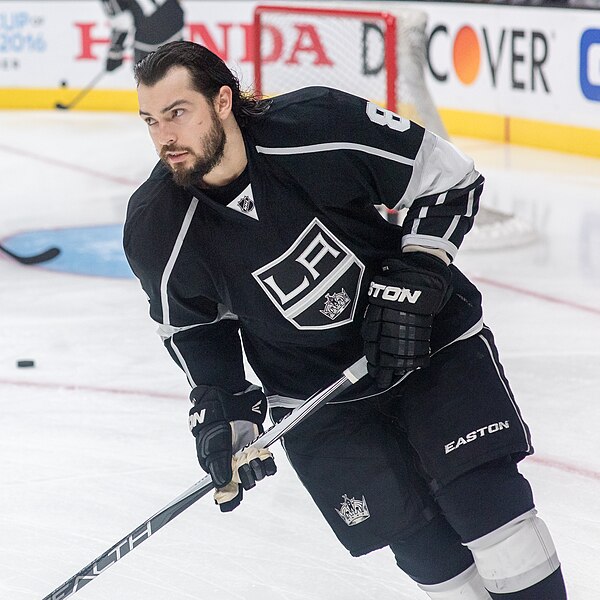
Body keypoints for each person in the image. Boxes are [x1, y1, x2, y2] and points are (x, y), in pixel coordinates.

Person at [124, 40, 568, 600]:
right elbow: (193, 328)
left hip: (428, 345)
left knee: (489, 509)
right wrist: (225, 416)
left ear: (222, 102)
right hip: (317, 395)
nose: (164, 136)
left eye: (177, 113)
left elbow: (447, 177)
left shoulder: (317, 125)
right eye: (150, 121)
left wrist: (418, 273)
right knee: (421, 548)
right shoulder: (157, 226)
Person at [100, 0, 184, 72]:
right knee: (177, 77)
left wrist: (115, 54)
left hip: (149, 40)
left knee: (149, 84)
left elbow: (122, 24)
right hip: (175, 27)